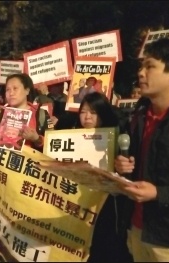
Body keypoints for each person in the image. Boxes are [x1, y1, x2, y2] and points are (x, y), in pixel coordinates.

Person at [114, 38, 169, 262]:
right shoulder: (138, 117)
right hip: (136, 231)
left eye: (150, 66)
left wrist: (159, 193)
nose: (141, 73)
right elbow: (135, 169)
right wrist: (122, 166)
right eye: (141, 67)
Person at [64, 92, 132, 263]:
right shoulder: (69, 137)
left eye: (93, 113)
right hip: (77, 203)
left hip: (105, 206)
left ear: (103, 114)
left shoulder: (115, 138)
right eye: (83, 112)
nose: (87, 117)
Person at [0, 73, 54, 152]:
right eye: (8, 89)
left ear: (27, 91)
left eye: (15, 88)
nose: (11, 93)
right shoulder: (0, 112)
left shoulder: (41, 114)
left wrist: (36, 139)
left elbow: (53, 144)